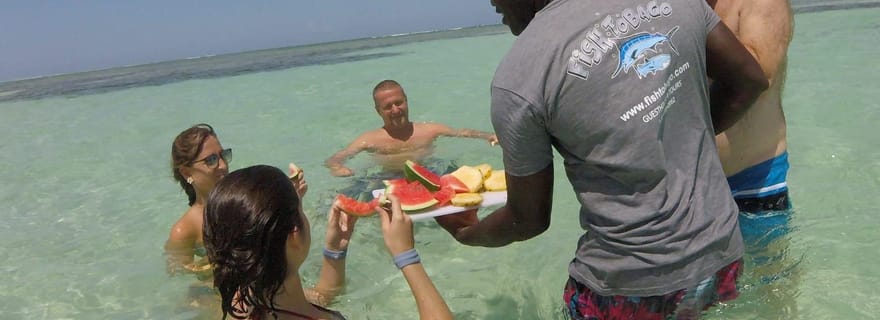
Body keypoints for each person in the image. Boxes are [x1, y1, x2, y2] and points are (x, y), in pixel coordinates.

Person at [435, 0, 767, 318]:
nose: (492, 4)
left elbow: (528, 220)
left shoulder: (518, 79)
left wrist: (470, 234)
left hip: (625, 287)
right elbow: (749, 81)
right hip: (721, 256)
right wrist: (677, 133)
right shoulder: (679, 2)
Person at [203, 165, 453, 320]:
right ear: (294, 233)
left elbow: (320, 297)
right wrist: (406, 255)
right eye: (301, 211)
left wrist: (335, 250)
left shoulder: (243, 299)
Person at [711, 0, 799, 317]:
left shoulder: (761, 2)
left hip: (754, 182)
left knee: (771, 288)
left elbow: (758, 73)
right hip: (694, 184)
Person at [325, 79, 499, 178]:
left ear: (406, 101)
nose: (395, 109)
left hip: (432, 171)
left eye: (398, 103)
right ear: (378, 111)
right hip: (389, 178)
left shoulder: (429, 130)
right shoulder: (370, 140)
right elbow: (337, 157)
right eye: (387, 106)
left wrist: (489, 135)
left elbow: (463, 133)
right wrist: (337, 167)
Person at [164, 123, 233, 277]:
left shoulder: (245, 202)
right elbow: (180, 278)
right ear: (186, 172)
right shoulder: (184, 230)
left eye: (223, 155)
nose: (223, 165)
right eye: (211, 160)